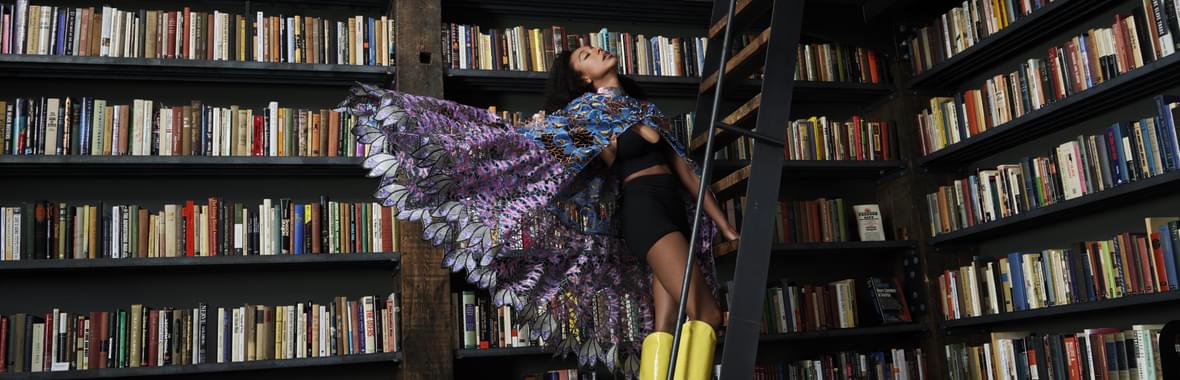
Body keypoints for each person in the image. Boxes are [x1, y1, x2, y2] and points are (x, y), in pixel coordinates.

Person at [339, 45, 738, 376]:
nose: (595, 50)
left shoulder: (644, 107)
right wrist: (541, 133)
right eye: (584, 55)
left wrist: (723, 226)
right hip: (645, 213)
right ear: (583, 78)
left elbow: (688, 172)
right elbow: (577, 154)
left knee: (665, 325)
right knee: (708, 315)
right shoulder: (586, 115)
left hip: (676, 213)